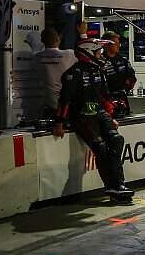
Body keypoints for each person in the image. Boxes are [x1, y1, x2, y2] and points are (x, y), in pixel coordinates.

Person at [53, 38, 134, 204]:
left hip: (100, 112)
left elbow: (104, 97)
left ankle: (119, 183)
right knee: (101, 147)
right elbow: (64, 100)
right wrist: (59, 122)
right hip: (81, 115)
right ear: (88, 53)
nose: (101, 55)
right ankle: (112, 186)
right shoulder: (72, 74)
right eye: (97, 52)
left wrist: (111, 115)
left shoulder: (99, 71)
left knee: (117, 140)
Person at [34, 27, 77, 118]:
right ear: (57, 39)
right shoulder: (69, 54)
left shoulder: (37, 57)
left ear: (42, 41)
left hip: (48, 102)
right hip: (65, 102)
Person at [100, 31, 137, 118]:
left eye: (118, 43)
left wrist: (125, 89)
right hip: (107, 101)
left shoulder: (123, 59)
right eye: (115, 43)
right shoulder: (100, 61)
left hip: (123, 98)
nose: (118, 45)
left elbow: (132, 78)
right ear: (106, 46)